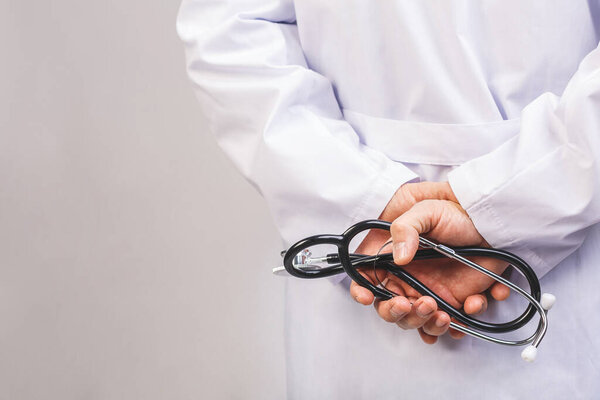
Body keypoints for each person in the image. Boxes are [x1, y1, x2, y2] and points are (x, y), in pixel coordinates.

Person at [177, 1, 600, 398]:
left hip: (567, 266)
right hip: (368, 278)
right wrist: (512, 198)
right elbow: (231, 33)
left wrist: (370, 204)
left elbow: (229, 35)